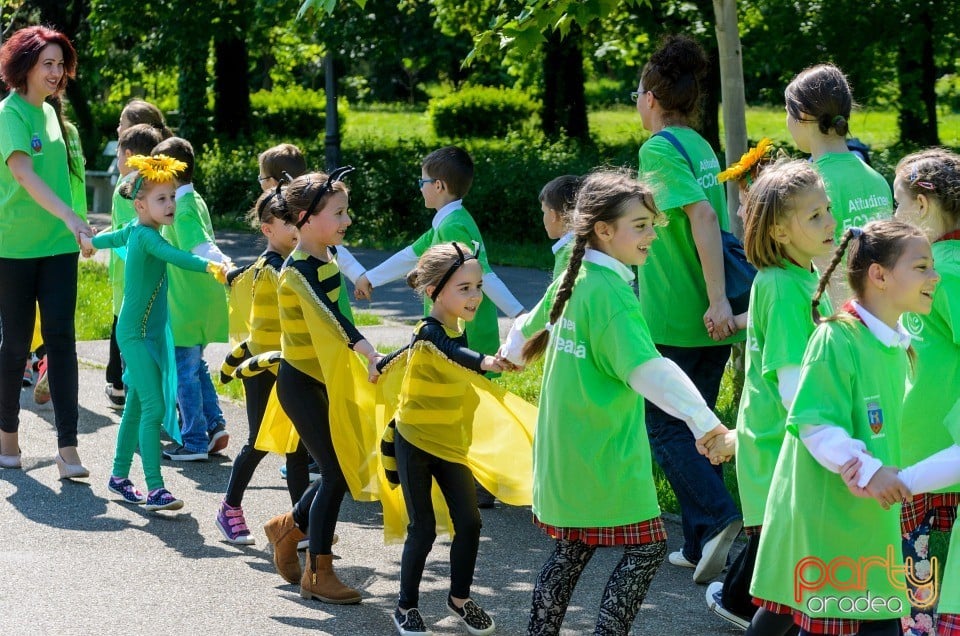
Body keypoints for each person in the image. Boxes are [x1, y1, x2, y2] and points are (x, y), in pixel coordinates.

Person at [500, 170, 731, 635]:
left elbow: (531, 321)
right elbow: (652, 372)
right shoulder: (613, 298)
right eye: (640, 225)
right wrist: (707, 424)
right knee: (646, 548)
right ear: (604, 230)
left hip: (570, 447)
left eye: (652, 223)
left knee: (573, 549)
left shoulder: (578, 271)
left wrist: (509, 355)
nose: (652, 235)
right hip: (603, 451)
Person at [747, 220, 939, 636]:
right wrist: (869, 470)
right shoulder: (836, 339)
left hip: (866, 519)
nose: (934, 277)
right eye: (922, 267)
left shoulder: (893, 343)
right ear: (880, 275)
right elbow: (815, 425)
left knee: (794, 612)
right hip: (831, 519)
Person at [703, 160, 836, 630]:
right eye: (814, 216)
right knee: (788, 593)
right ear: (779, 231)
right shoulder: (783, 286)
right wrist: (835, 444)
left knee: (791, 592)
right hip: (786, 455)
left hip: (788, 448)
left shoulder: (799, 277)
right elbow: (790, 385)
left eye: (827, 209)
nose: (830, 222)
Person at [633, 33, 743, 583]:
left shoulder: (657, 149)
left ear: (651, 97)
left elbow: (702, 216)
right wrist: (719, 297)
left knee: (666, 424)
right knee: (697, 421)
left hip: (679, 312)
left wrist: (717, 297)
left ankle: (722, 518)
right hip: (708, 313)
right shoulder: (699, 145)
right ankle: (703, 541)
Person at [377, 242, 524, 636]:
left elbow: (408, 354)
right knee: (422, 528)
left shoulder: (451, 330)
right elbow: (446, 351)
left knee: (470, 523)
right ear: (434, 292)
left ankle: (459, 599)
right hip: (416, 441)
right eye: (464, 288)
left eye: (477, 286)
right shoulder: (430, 332)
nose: (475, 296)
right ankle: (405, 606)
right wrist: (487, 361)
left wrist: (382, 364)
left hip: (450, 442)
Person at [80, 154, 229, 511]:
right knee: (154, 406)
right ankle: (156, 488)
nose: (170, 204)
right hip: (133, 336)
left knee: (135, 406)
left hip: (149, 336)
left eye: (173, 197)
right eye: (161, 199)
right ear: (140, 204)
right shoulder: (146, 236)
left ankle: (118, 476)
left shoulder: (136, 230)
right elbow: (176, 256)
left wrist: (90, 243)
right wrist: (215, 267)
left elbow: (109, 239)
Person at [261, 168, 381, 604]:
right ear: (306, 219)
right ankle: (318, 572)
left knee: (341, 469)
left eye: (346, 211)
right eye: (339, 213)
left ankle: (288, 526)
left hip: (325, 380)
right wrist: (369, 351)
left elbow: (338, 306)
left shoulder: (326, 254)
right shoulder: (295, 272)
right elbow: (332, 318)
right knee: (335, 473)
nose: (347, 220)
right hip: (301, 384)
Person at [0, 26, 93, 475]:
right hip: (13, 249)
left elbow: (62, 179)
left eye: (60, 64)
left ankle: (67, 448)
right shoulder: (9, 114)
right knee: (15, 344)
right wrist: (70, 216)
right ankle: (8, 439)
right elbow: (23, 175)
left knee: (61, 343)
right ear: (25, 67)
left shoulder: (55, 117)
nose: (57, 73)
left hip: (58, 248)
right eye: (48, 64)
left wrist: (77, 224)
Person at [354, 146, 524, 356]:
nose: (420, 188)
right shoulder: (450, 221)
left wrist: (520, 315)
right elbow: (411, 254)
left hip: (461, 331)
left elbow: (484, 274)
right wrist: (369, 278)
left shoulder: (451, 227)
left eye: (422, 182)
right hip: (454, 328)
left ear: (438, 186)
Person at [888, 149, 960, 636]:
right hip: (926, 450)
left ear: (922, 203)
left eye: (898, 204)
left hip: (936, 455)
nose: (894, 217)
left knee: (921, 595)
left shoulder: (948, 273)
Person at [215, 186, 308, 545]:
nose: (297, 225)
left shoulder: (285, 266)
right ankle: (229, 509)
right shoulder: (273, 269)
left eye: (298, 218)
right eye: (288, 221)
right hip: (262, 371)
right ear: (267, 229)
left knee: (296, 445)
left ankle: (300, 524)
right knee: (258, 442)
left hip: (288, 367)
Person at [152, 137, 232, 461]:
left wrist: (226, 264)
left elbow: (197, 247)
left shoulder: (180, 208)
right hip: (202, 296)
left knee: (183, 369)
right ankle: (215, 425)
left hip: (186, 299)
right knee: (194, 365)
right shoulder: (193, 198)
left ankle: (194, 440)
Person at [784, 63, 892, 302]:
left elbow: (826, 273)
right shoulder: (877, 179)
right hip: (884, 318)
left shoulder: (810, 186)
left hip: (843, 325)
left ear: (801, 115)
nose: (786, 122)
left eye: (787, 112)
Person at [102, 123, 164, 409]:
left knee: (129, 338)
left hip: (130, 276)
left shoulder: (127, 187)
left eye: (117, 152)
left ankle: (133, 403)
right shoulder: (159, 186)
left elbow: (127, 235)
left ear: (127, 154)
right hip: (153, 277)